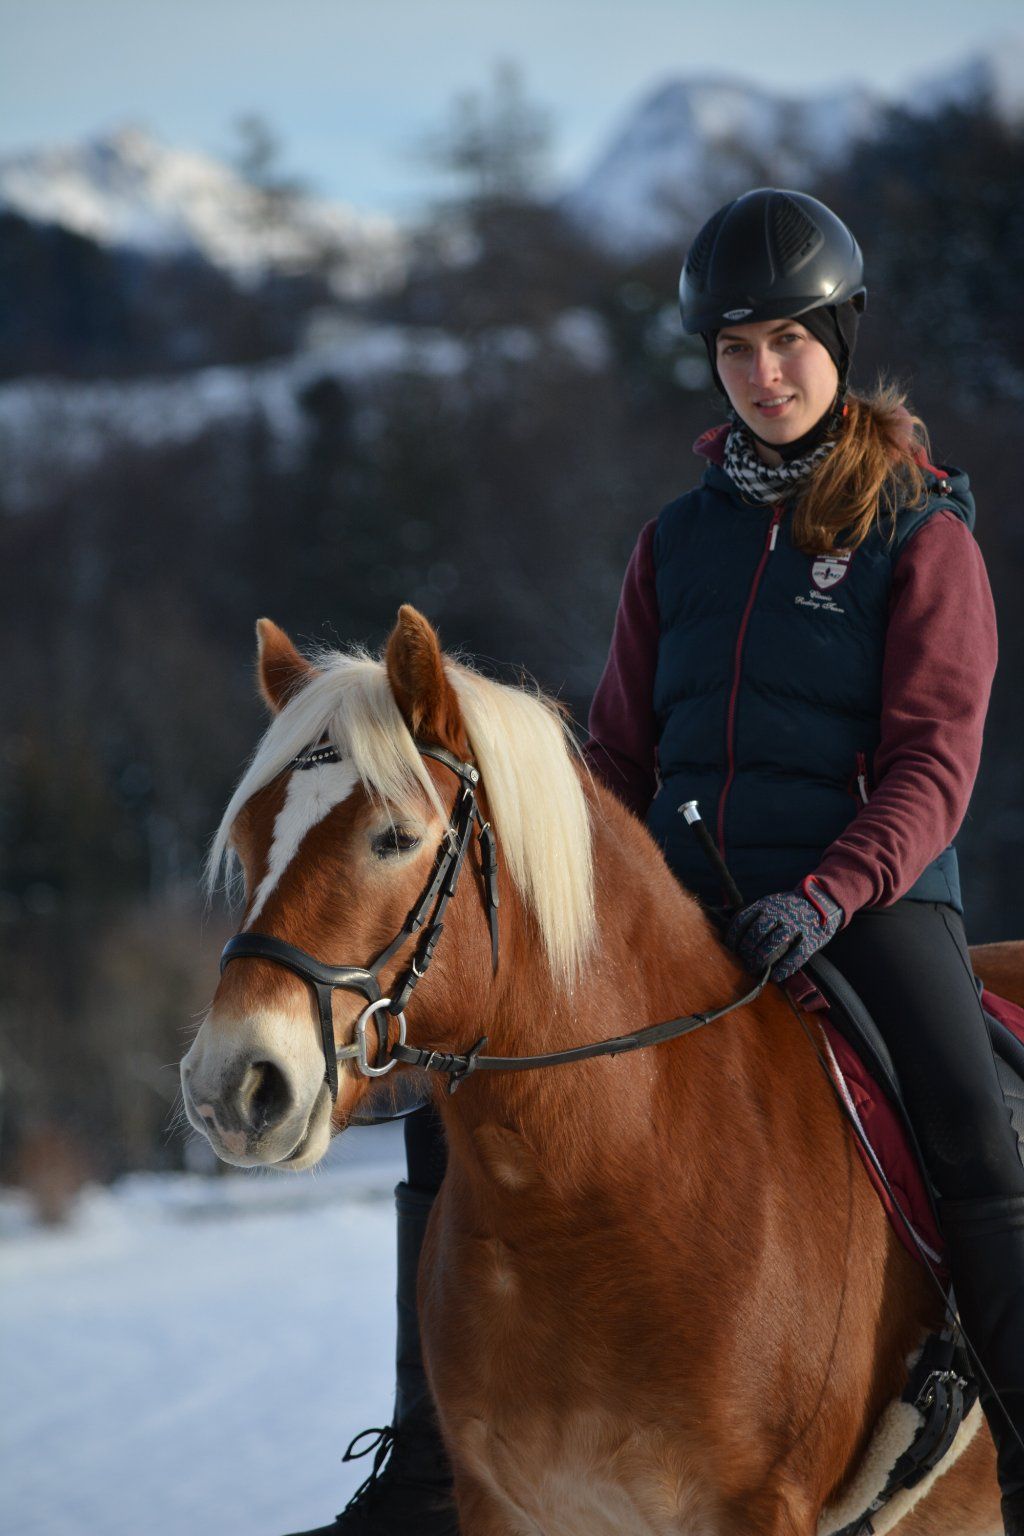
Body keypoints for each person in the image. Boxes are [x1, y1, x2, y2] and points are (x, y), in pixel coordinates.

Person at [283, 187, 1024, 1536]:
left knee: (976, 1133)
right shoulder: (678, 541)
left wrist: (831, 891)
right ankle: (428, 1468)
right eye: (738, 349)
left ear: (840, 340)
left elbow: (936, 762)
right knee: (461, 1107)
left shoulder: (925, 531)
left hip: (869, 902)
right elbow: (618, 756)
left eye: (789, 341)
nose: (766, 372)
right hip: (681, 907)